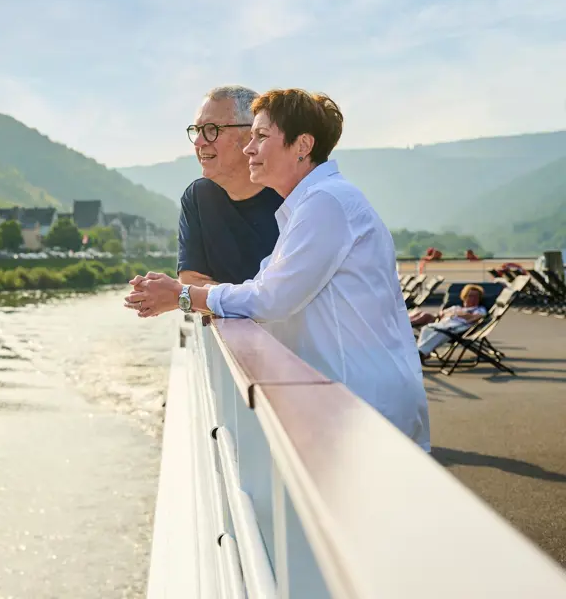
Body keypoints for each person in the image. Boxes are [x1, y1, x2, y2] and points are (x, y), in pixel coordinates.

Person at [125, 89, 430, 451]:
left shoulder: (326, 204)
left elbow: (270, 299)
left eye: (261, 136)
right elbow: (262, 285)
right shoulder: (308, 206)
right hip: (349, 402)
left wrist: (183, 296)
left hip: (365, 406)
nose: (250, 148)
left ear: (302, 145)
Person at [179, 86, 284, 286]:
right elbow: (190, 282)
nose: (199, 142)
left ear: (252, 134)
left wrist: (209, 297)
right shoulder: (198, 197)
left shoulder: (291, 195)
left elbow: (284, 297)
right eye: (197, 131)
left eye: (212, 130)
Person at [413, 284, 487, 359]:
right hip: (444, 324)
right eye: (470, 296)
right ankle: (423, 352)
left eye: (476, 296)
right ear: (464, 297)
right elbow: (442, 313)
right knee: (426, 328)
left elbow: (477, 317)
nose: (473, 298)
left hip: (457, 329)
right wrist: (454, 314)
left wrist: (458, 315)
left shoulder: (479, 309)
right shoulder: (456, 307)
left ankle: (420, 353)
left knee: (441, 332)